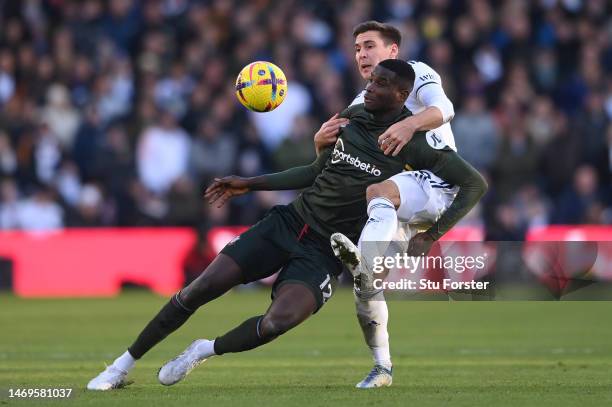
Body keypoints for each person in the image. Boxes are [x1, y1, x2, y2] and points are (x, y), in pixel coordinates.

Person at [86, 60, 485, 391]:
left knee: (278, 322)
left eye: (381, 83)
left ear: (401, 96)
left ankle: (204, 350)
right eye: (370, 77)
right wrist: (250, 183)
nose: (370, 84)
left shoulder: (415, 141)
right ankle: (120, 367)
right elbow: (315, 171)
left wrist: (432, 235)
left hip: (326, 252)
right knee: (200, 288)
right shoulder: (351, 116)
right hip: (290, 222)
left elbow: (474, 184)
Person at [314, 21, 457, 388]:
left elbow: (445, 108)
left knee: (379, 192)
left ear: (393, 52)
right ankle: (383, 367)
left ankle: (364, 258)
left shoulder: (418, 73)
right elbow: (331, 163)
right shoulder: (361, 103)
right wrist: (319, 143)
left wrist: (410, 127)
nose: (361, 53)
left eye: (369, 45)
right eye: (357, 47)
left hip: (435, 184)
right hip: (402, 199)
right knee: (367, 286)